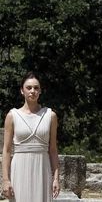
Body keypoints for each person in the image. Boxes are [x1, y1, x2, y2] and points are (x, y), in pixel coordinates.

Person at [2, 72, 60, 201]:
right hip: (20, 168)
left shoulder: (50, 115)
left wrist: (56, 178)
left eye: (36, 88)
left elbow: (53, 150)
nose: (32, 91)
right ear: (22, 91)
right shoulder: (12, 116)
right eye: (28, 88)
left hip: (42, 168)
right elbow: (6, 150)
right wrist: (5, 180)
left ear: (40, 91)